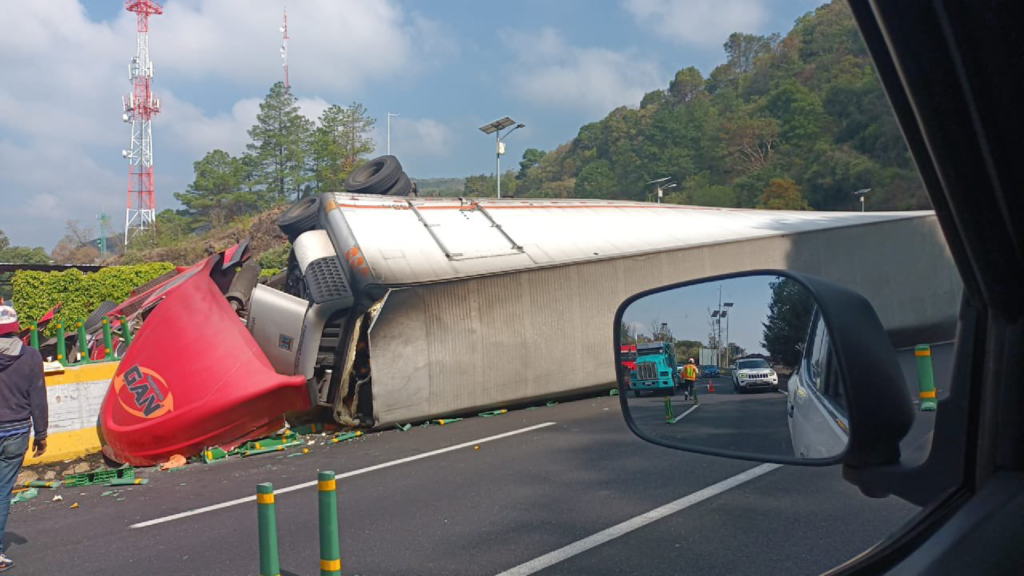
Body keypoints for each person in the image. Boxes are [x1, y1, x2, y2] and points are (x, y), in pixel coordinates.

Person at [0, 306, 48, 573]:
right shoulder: (30, 356)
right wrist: (41, 435)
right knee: (2, 493)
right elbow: (38, 399)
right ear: (16, 326)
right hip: (16, 432)